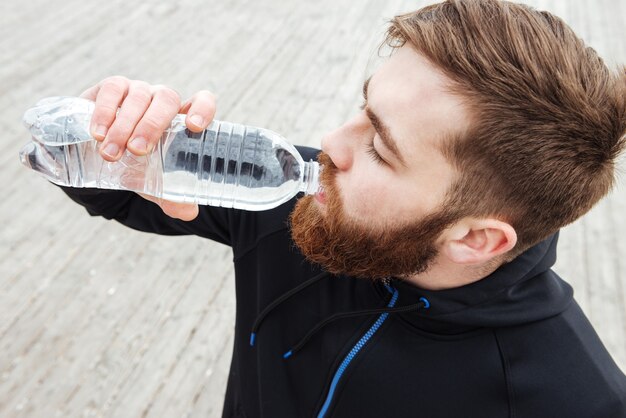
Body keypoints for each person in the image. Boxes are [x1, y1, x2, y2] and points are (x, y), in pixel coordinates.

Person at [57, 0, 626, 416]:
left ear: (477, 240)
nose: (331, 142)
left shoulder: (572, 398)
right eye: (364, 104)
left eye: (379, 147)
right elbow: (105, 190)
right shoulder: (306, 197)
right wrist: (107, 131)